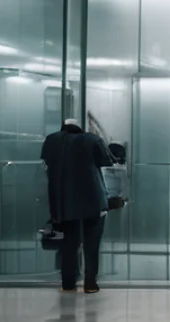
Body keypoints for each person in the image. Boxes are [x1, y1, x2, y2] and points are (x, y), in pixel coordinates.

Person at [40, 118, 115, 294]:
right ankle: (90, 283)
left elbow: (45, 165)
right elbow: (107, 161)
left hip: (64, 200)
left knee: (68, 243)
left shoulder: (51, 140)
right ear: (79, 129)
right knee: (91, 243)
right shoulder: (91, 140)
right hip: (92, 199)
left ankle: (68, 283)